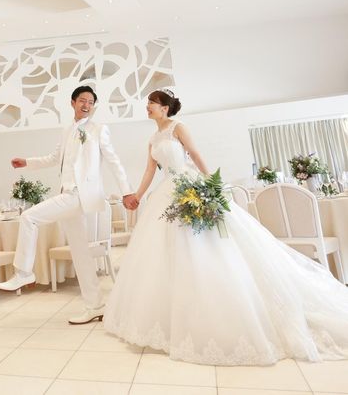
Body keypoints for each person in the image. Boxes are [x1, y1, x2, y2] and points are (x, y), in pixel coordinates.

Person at [104, 88, 348, 365]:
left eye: (152, 102)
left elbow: (195, 154)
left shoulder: (177, 127)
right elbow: (150, 170)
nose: (147, 106)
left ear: (165, 108)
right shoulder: (152, 139)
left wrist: (212, 183)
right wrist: (137, 195)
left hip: (187, 185)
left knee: (202, 242)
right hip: (165, 192)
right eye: (148, 102)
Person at [0, 85, 137, 324]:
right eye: (83, 100)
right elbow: (54, 158)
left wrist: (127, 191)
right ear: (73, 102)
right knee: (80, 253)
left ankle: (23, 272)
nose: (87, 105)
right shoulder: (67, 130)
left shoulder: (98, 130)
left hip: (79, 195)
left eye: (91, 102)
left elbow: (114, 161)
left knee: (29, 217)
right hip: (67, 192)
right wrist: (27, 162)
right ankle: (95, 306)